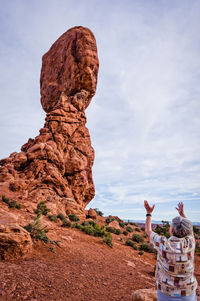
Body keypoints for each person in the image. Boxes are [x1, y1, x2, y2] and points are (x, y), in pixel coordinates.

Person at [144, 200, 197, 301]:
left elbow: (148, 231)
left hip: (166, 292)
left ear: (171, 230)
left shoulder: (163, 243)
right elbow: (191, 232)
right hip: (188, 291)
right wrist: (182, 214)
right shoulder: (190, 242)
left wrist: (149, 213)